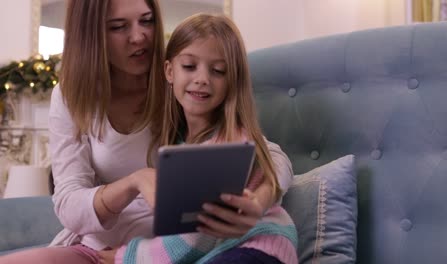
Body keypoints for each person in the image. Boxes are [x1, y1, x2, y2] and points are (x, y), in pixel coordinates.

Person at [0, 1, 294, 264]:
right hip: (103, 246)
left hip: (159, 248)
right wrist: (134, 182)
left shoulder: (182, 87)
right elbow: (69, 204)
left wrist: (260, 200)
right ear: (92, 35)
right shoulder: (72, 96)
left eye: (147, 20)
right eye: (118, 26)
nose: (139, 36)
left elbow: (267, 156)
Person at [98, 13, 298, 264]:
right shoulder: (177, 142)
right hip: (216, 251)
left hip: (258, 247)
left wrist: (125, 256)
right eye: (190, 66)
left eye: (218, 71)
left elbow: (196, 236)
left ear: (231, 81)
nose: (202, 79)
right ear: (169, 71)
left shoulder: (229, 141)